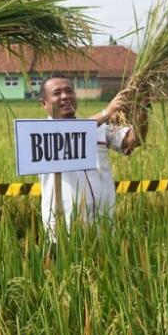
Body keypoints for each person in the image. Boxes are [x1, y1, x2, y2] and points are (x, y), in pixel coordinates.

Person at [37, 76, 148, 241]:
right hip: (64, 228)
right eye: (57, 93)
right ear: (44, 103)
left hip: (103, 224)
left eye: (69, 91)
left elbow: (134, 140)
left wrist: (142, 107)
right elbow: (69, 132)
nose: (65, 96)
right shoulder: (40, 133)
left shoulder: (98, 127)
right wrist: (107, 112)